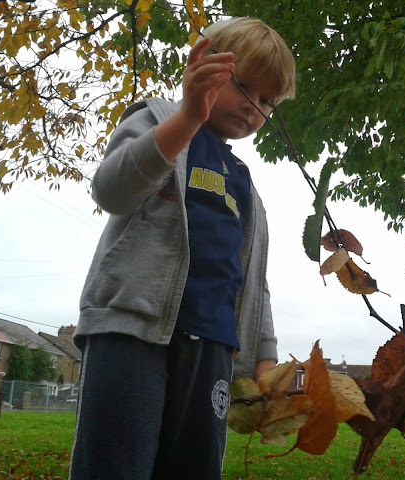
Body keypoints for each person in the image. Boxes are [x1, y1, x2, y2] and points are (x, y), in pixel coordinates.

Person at [69, 17, 296, 480]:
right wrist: (188, 117)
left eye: (268, 101)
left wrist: (263, 356)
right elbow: (111, 191)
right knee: (116, 464)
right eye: (246, 87)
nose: (255, 107)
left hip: (212, 347)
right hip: (133, 329)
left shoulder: (244, 185)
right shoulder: (157, 118)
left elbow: (252, 277)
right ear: (204, 62)